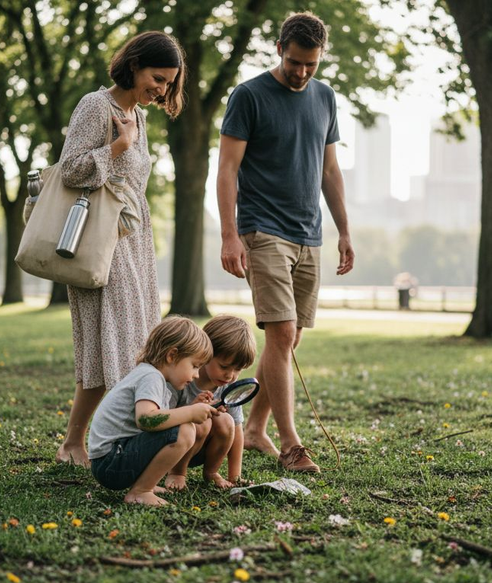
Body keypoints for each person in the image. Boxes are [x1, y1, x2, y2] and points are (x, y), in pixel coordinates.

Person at [216, 12, 354, 473]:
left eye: (311, 65)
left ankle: (254, 430)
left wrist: (344, 231)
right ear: (279, 49)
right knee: (278, 333)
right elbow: (228, 170)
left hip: (309, 233)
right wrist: (230, 234)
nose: (301, 72)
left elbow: (329, 170)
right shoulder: (249, 96)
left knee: (290, 337)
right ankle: (292, 444)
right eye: (295, 62)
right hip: (262, 229)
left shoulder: (325, 97)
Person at [55, 32, 187, 467]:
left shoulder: (139, 115)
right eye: (157, 78)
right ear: (133, 66)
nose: (162, 89)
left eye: (168, 83)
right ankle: (111, 442)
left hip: (133, 239)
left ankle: (76, 442)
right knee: (115, 343)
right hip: (100, 238)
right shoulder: (96, 106)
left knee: (120, 343)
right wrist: (119, 146)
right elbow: (71, 169)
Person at [87, 317, 220, 507]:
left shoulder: (152, 376)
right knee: (185, 431)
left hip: (111, 459)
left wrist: (191, 407)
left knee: (182, 428)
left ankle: (145, 484)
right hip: (111, 463)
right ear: (172, 355)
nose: (197, 374)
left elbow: (161, 421)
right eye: (195, 365)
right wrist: (189, 414)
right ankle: (141, 491)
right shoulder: (151, 377)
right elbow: (146, 420)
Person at [173, 315, 258, 488]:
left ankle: (211, 472)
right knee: (202, 422)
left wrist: (235, 476)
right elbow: (164, 420)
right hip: (172, 448)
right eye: (224, 366)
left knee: (226, 420)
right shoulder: (183, 379)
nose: (230, 375)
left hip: (202, 450)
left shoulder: (229, 387)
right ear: (206, 354)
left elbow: (236, 430)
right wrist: (192, 410)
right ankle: (177, 472)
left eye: (238, 369)